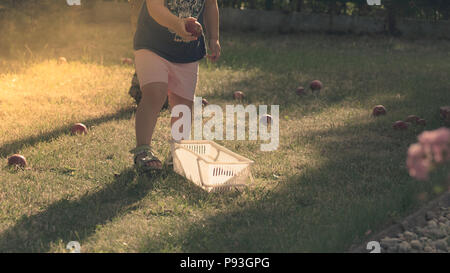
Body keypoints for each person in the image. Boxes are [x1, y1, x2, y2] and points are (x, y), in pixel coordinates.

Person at [130, 0, 220, 171]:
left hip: (187, 52)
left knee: (183, 104)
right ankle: (143, 150)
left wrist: (214, 38)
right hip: (152, 46)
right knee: (155, 93)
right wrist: (177, 24)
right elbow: (154, 7)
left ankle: (178, 149)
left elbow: (210, 5)